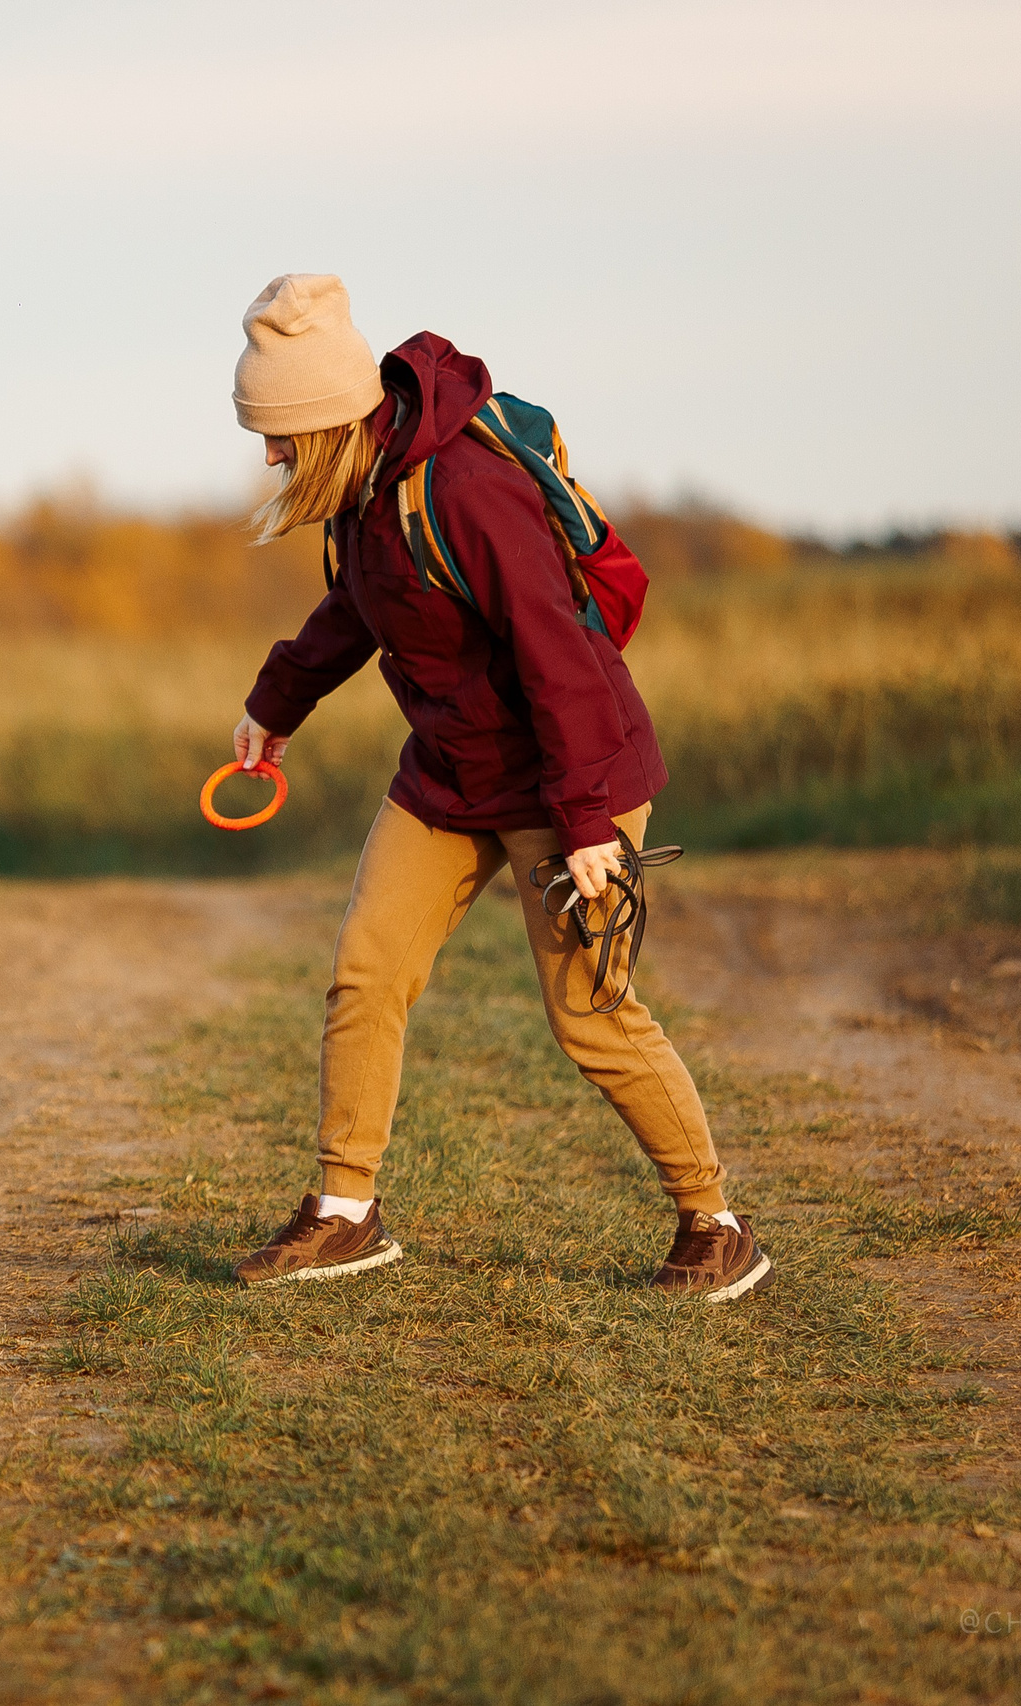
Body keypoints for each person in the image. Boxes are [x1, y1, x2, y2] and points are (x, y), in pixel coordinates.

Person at [222, 274, 770, 1304]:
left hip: (569, 775)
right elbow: (357, 609)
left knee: (590, 1015)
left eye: (279, 434)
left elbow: (555, 655)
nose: (267, 455)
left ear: (329, 419)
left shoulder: (466, 490)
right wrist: (274, 705)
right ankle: (345, 1211)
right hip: (448, 773)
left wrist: (584, 822)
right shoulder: (366, 497)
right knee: (365, 975)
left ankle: (716, 1223)